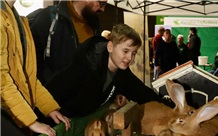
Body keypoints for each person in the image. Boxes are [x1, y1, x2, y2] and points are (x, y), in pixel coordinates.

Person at [44, 23, 172, 118]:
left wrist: (174, 109)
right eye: (125, 51)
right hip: (53, 123)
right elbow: (52, 89)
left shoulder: (122, 72)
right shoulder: (83, 66)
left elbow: (143, 93)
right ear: (110, 47)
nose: (130, 58)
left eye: (133, 53)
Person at [1, 1, 71, 136]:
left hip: (18, 123)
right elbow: (2, 81)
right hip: (6, 127)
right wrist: (31, 122)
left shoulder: (18, 20)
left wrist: (49, 108)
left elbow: (28, 77)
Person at [28, 0, 109, 84]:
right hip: (48, 90)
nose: (103, 9)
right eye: (101, 4)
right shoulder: (50, 17)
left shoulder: (94, 25)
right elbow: (31, 56)